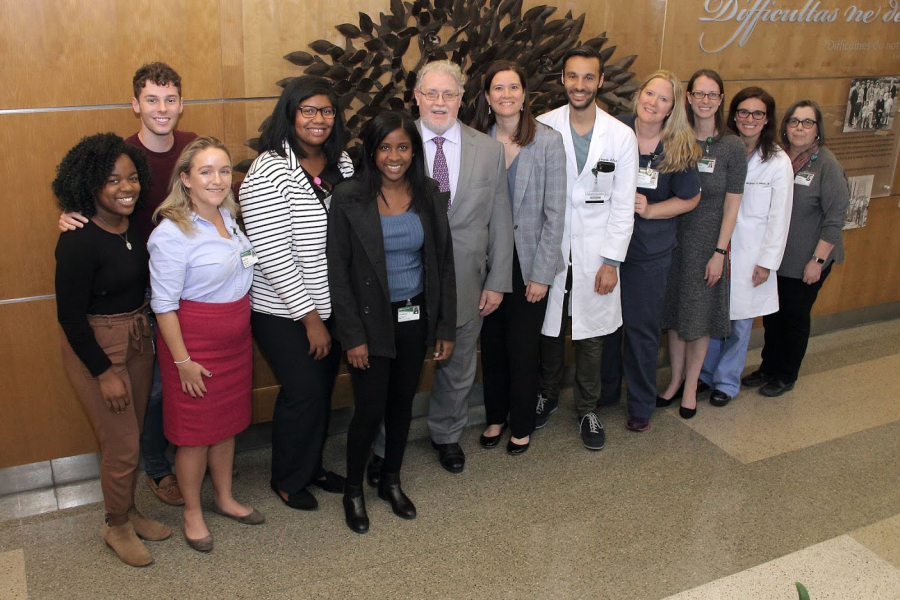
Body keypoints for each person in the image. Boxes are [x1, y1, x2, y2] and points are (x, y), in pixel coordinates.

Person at [58, 62, 197, 507]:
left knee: (173, 383)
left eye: (170, 99)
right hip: (129, 301)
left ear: (181, 103)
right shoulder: (114, 155)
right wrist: (67, 214)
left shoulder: (192, 149)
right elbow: (86, 202)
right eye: (152, 99)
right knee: (149, 395)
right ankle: (156, 470)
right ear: (135, 104)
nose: (162, 108)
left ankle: (181, 461)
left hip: (178, 291)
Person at [369, 60, 513, 479]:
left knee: (460, 362)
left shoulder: (487, 150)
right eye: (430, 93)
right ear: (416, 97)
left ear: (462, 99)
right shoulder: (394, 143)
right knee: (397, 367)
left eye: (449, 94)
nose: (439, 102)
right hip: (407, 279)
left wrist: (499, 281)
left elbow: (500, 217)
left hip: (468, 279)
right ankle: (382, 445)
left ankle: (447, 435)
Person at [328, 111, 456, 533]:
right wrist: (352, 337)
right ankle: (353, 491)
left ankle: (391, 480)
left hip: (415, 316)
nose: (394, 156)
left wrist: (444, 327)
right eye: (385, 147)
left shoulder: (430, 193)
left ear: (414, 151)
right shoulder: (349, 197)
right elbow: (338, 273)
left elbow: (443, 265)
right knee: (368, 410)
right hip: (369, 324)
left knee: (402, 406)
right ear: (371, 151)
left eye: (403, 147)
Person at [54, 133, 171, 567]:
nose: (126, 187)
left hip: (138, 336)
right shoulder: (78, 238)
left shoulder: (134, 222)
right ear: (89, 186)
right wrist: (103, 373)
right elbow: (69, 318)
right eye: (112, 180)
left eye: (132, 177)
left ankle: (129, 510)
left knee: (133, 436)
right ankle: (115, 524)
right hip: (96, 346)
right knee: (121, 445)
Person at [240, 76, 353, 510]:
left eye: (326, 111)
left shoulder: (341, 164)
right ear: (290, 114)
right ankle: (288, 478)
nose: (318, 119)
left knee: (321, 392)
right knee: (303, 391)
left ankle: (312, 467)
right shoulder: (268, 171)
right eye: (308, 110)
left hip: (334, 306)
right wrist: (310, 321)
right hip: (283, 311)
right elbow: (273, 255)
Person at [149, 137, 264, 552]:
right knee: (194, 435)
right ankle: (192, 512)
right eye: (205, 171)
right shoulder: (171, 233)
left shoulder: (229, 217)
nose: (217, 180)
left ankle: (226, 498)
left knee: (227, 426)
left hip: (234, 340)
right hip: (192, 346)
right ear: (185, 179)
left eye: (223, 170)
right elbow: (163, 306)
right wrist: (182, 361)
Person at [535, 46, 638, 449]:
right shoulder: (542, 126)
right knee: (550, 329)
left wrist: (611, 261)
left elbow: (623, 204)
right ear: (562, 79)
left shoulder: (620, 136)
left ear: (600, 81)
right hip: (553, 248)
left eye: (588, 77)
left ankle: (588, 409)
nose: (580, 85)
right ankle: (546, 395)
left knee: (591, 335)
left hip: (597, 251)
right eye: (572, 76)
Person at [470, 60, 566, 455]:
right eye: (498, 88)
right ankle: (496, 416)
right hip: (488, 263)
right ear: (488, 97)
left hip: (529, 264)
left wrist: (542, 274)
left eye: (513, 87)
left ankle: (521, 424)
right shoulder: (478, 140)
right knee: (491, 346)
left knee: (523, 348)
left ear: (525, 95)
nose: (506, 95)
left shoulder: (548, 141)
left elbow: (556, 213)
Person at [600, 70, 701, 429]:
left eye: (663, 99)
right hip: (607, 244)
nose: (653, 103)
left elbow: (691, 198)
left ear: (672, 108)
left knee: (641, 329)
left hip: (649, 252)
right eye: (649, 93)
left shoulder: (680, 145)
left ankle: (641, 403)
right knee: (606, 324)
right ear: (638, 94)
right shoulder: (614, 130)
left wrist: (652, 210)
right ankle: (606, 390)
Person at [742, 100, 849, 397]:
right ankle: (768, 367)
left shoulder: (826, 164)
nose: (799, 128)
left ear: (817, 129)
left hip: (808, 260)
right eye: (794, 122)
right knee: (773, 316)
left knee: (795, 317)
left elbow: (835, 219)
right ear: (785, 127)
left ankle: (786, 374)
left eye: (807, 122)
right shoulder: (777, 159)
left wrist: (817, 260)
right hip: (778, 258)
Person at [658, 69, 746, 411]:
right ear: (689, 97)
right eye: (699, 94)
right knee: (676, 316)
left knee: (700, 317)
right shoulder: (674, 138)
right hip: (673, 239)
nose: (705, 100)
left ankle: (693, 385)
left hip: (709, 244)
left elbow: (732, 204)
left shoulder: (732, 146)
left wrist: (720, 252)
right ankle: (675, 381)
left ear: (720, 100)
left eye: (713, 94)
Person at [701, 87, 793, 403]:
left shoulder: (778, 161)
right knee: (712, 317)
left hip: (751, 254)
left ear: (767, 120)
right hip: (716, 247)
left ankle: (726, 383)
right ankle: (704, 374)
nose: (749, 119)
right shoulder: (723, 148)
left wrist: (767, 261)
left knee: (739, 324)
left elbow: (780, 217)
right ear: (734, 115)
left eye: (757, 114)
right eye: (743, 112)